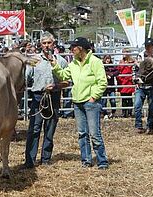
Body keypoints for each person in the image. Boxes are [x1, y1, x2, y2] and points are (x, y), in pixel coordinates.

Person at [51, 37, 109, 169]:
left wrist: (93, 97)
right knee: (82, 133)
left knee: (94, 133)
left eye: (74, 47)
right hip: (78, 102)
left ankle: (102, 161)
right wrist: (54, 65)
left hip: (90, 103)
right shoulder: (73, 64)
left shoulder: (95, 62)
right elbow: (64, 75)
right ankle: (86, 160)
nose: (71, 50)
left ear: (81, 48)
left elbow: (102, 82)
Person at [23, 31, 68, 168]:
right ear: (41, 44)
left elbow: (66, 81)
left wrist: (56, 86)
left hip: (53, 96)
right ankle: (30, 160)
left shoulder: (61, 60)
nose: (47, 45)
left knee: (50, 128)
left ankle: (46, 159)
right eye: (44, 43)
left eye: (49, 43)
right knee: (34, 129)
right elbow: (26, 78)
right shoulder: (34, 59)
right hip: (38, 96)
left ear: (53, 44)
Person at [134, 38, 153, 134]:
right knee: (137, 105)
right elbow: (135, 69)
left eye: (149, 46)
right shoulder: (140, 56)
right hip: (140, 86)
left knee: (151, 107)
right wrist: (135, 79)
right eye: (146, 46)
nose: (147, 48)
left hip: (152, 86)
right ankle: (138, 125)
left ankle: (150, 126)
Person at [116, 48, 136, 118]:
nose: (125, 53)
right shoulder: (121, 62)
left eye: (127, 52)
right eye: (124, 52)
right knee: (123, 98)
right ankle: (124, 112)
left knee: (129, 98)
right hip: (123, 82)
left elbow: (133, 71)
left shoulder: (132, 61)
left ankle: (130, 112)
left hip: (129, 82)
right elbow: (118, 71)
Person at [102, 54, 119, 119]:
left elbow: (117, 71)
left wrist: (111, 74)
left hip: (111, 86)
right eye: (106, 58)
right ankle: (105, 114)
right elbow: (100, 72)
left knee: (113, 100)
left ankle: (113, 112)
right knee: (104, 101)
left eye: (108, 58)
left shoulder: (112, 66)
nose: (107, 60)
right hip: (104, 86)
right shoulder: (102, 65)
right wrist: (106, 75)